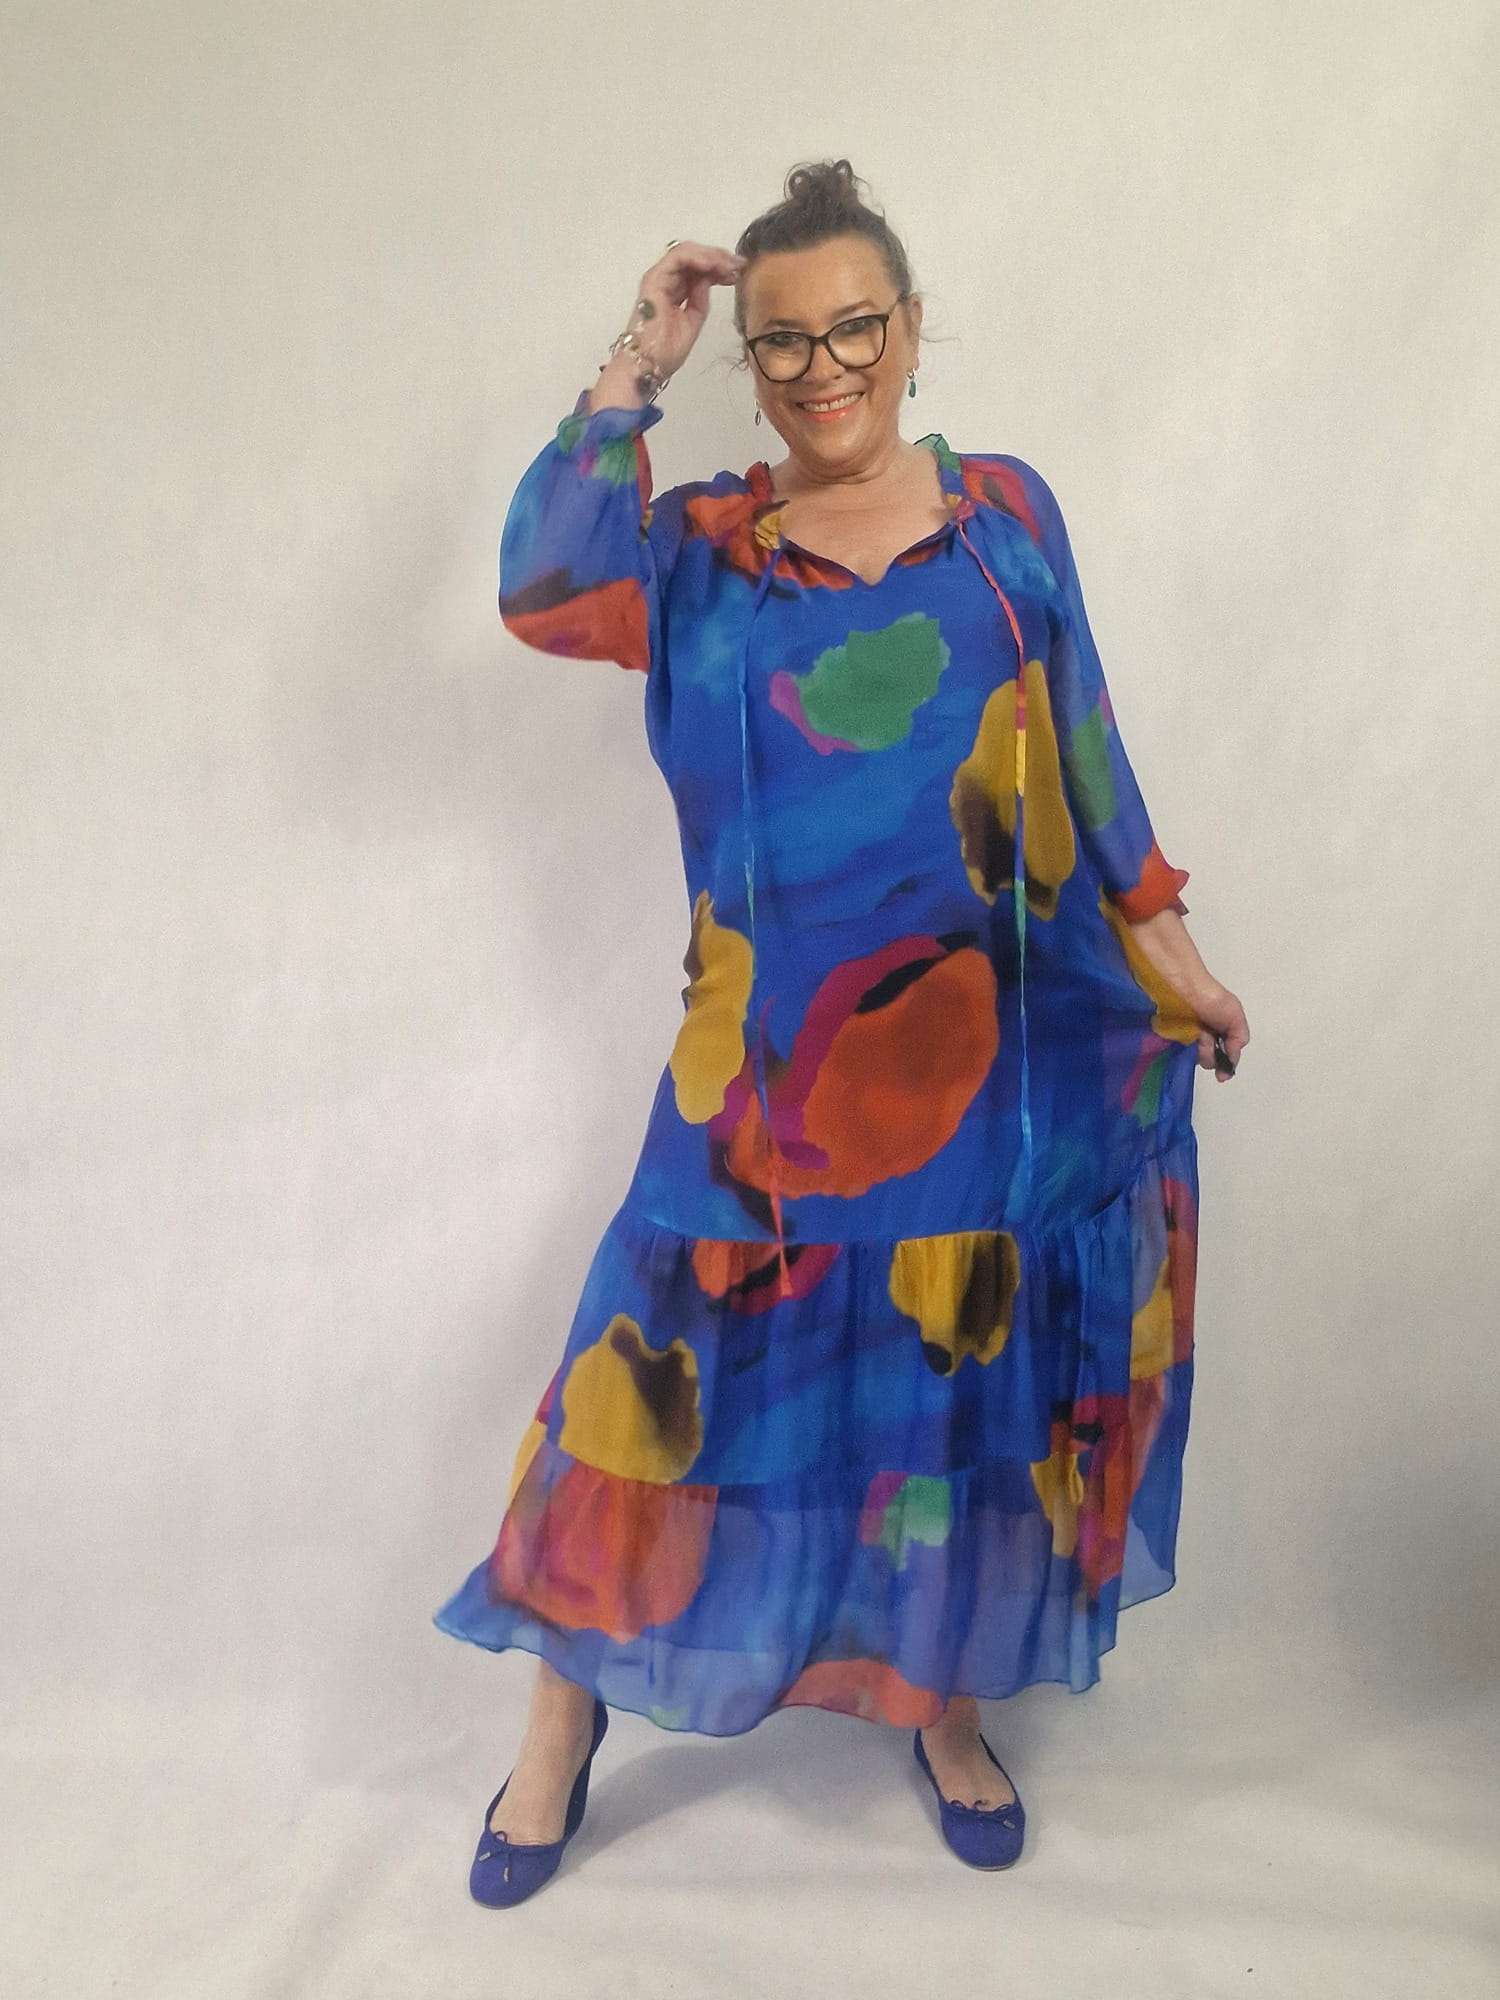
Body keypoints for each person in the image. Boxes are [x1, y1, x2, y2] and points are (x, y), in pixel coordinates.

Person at [434, 159, 1250, 1903]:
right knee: (636, 1409)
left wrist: (1169, 947)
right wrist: (634, 364)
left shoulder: (1008, 518)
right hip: (755, 1095)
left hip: (989, 1078)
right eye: (782, 341)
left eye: (854, 328)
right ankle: (557, 1736)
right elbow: (542, 588)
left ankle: (938, 1712)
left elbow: (1088, 751)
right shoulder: (699, 554)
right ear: (751, 362)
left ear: (912, 327)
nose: (822, 369)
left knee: (951, 1409)